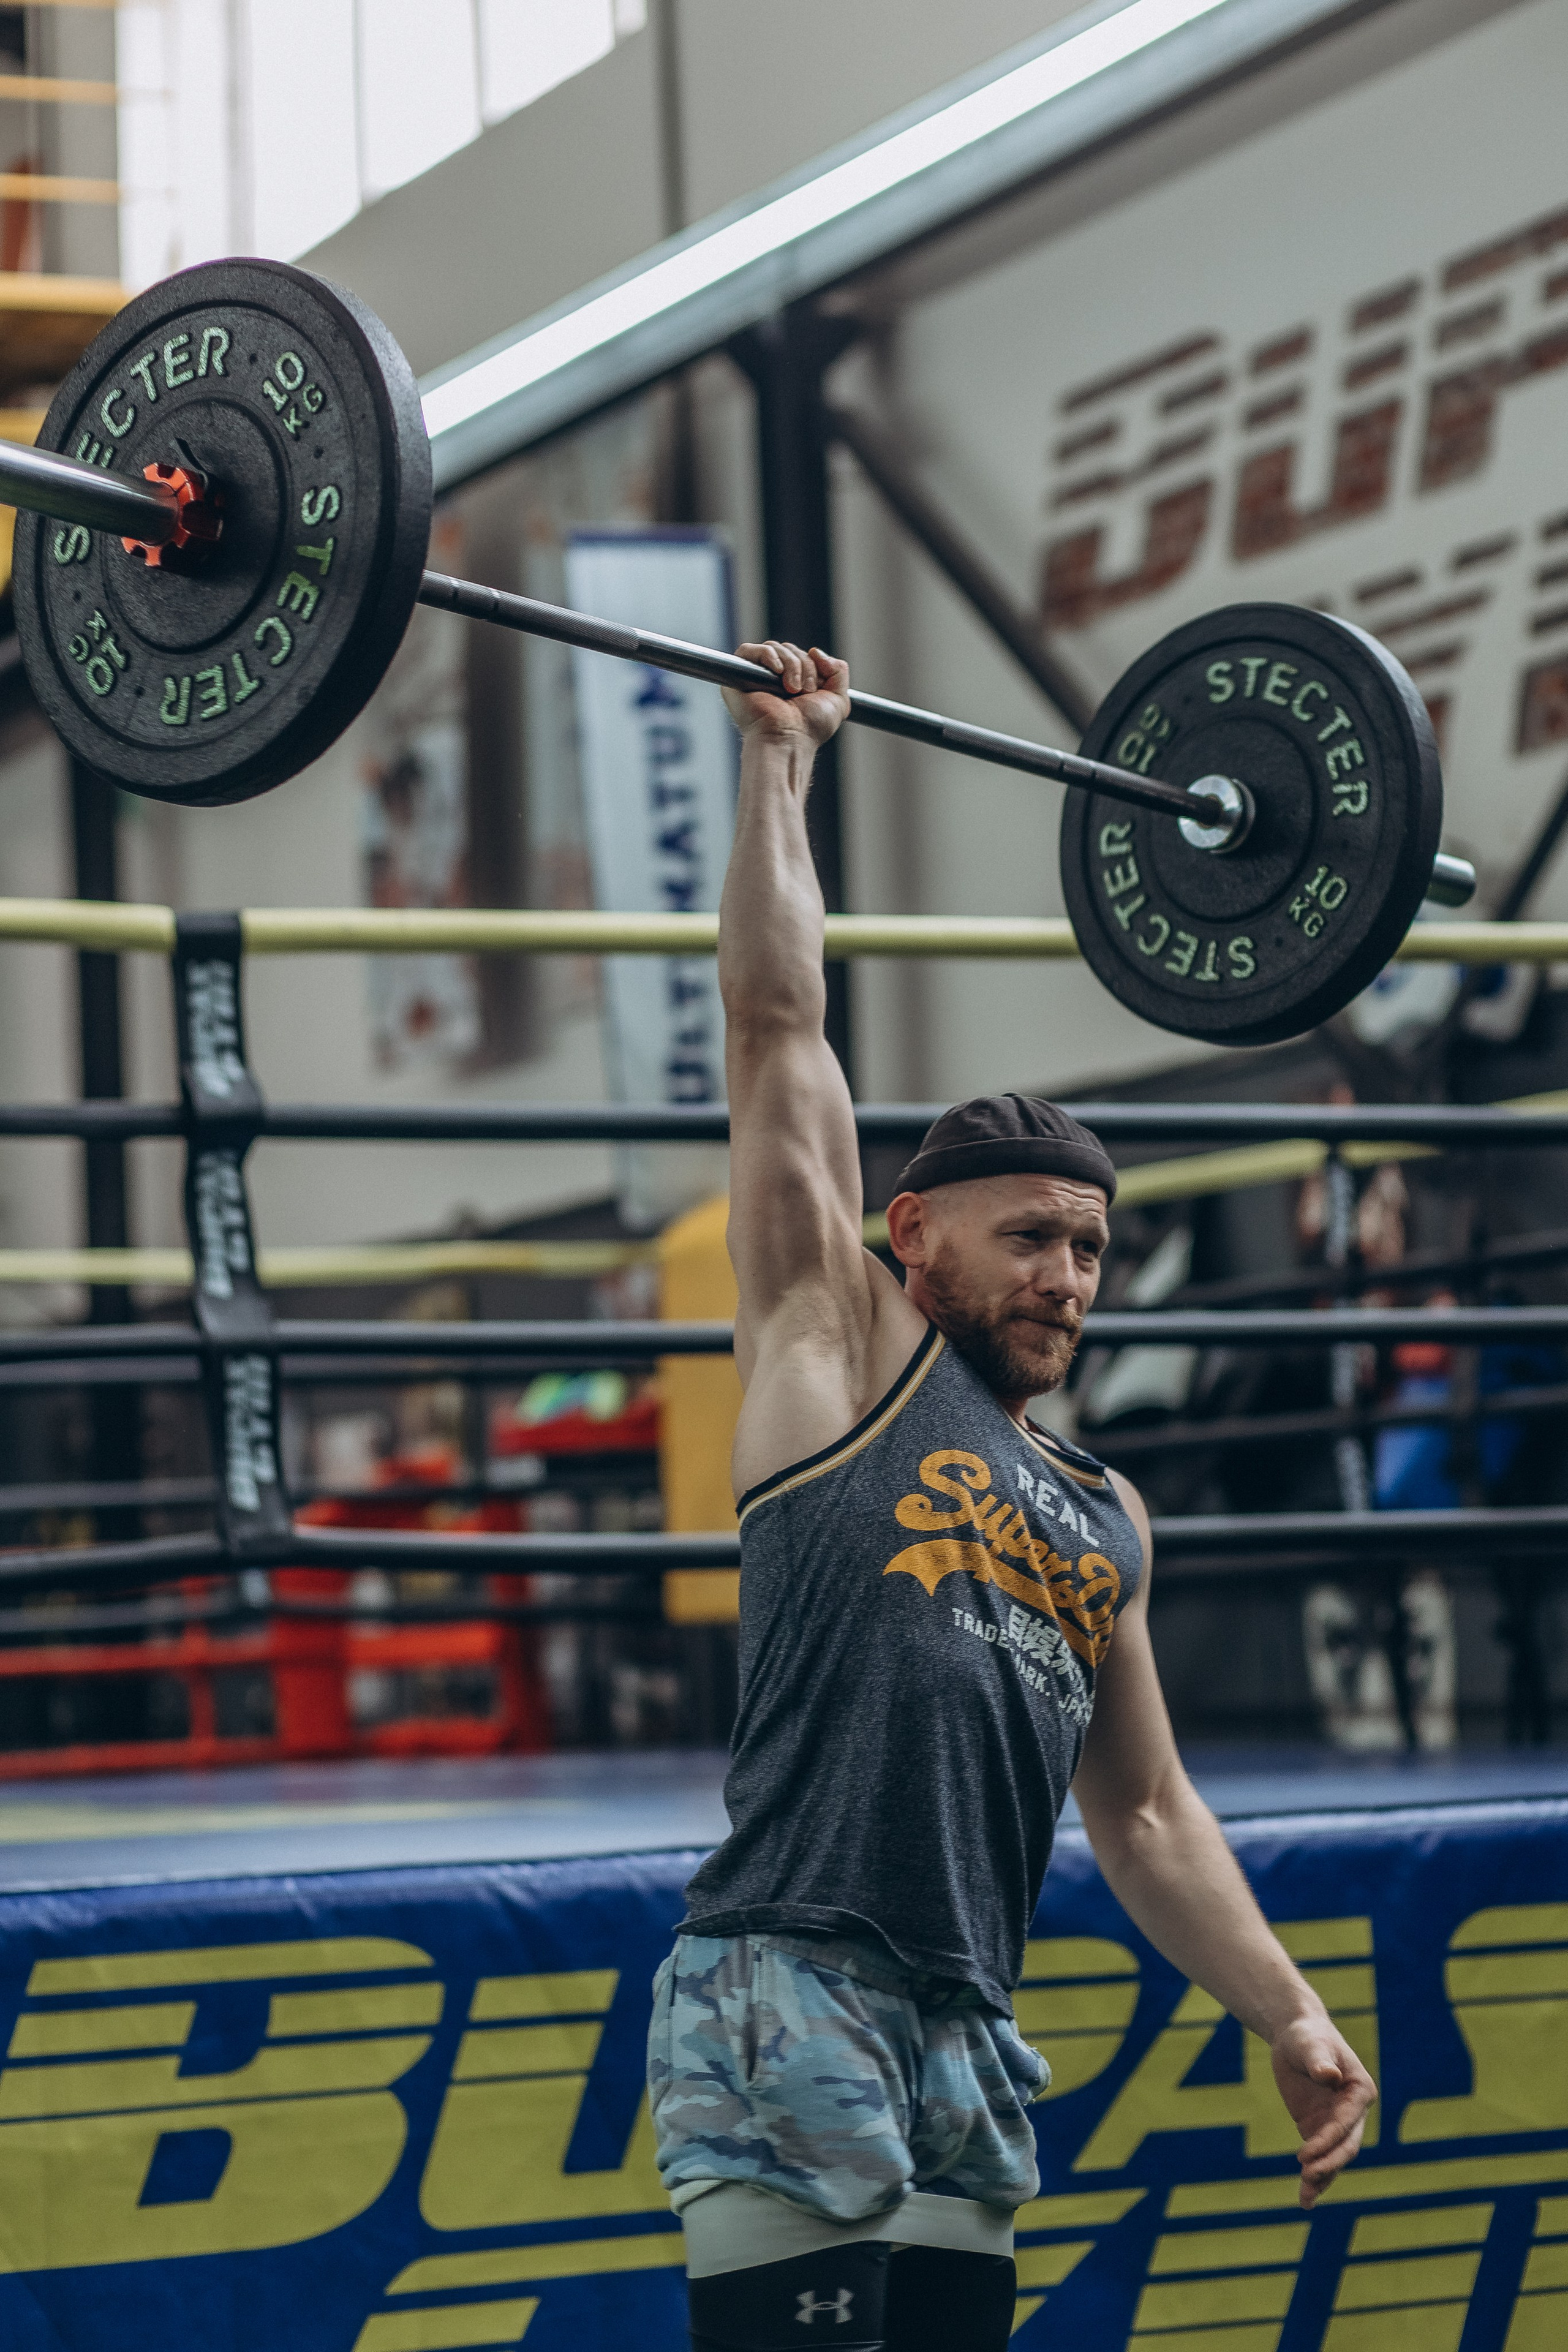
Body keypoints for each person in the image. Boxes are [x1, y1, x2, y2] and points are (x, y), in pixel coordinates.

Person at [646, 641, 1377, 2352]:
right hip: (790, 1985)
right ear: (917, 1237)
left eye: (1093, 1248)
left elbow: (1145, 1816)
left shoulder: (1104, 1517)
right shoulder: (840, 1362)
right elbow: (776, 1029)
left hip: (969, 2027)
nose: (1070, 1275)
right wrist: (779, 763)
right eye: (1033, 1237)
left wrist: (1287, 2012)